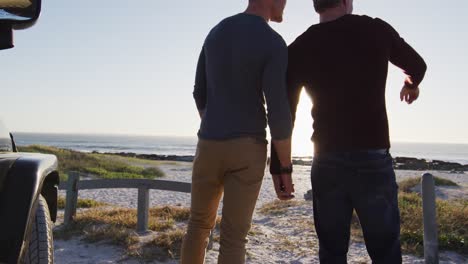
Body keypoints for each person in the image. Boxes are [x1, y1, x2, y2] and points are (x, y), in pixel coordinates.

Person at [270, 0, 427, 263]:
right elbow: (417, 65)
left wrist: (279, 167)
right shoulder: (375, 29)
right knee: (386, 248)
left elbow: (285, 116)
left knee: (332, 250)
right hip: (373, 157)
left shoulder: (299, 46)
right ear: (346, 1)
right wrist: (411, 85)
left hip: (327, 160)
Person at [180, 0, 295, 263]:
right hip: (247, 147)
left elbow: (200, 92)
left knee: (197, 225)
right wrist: (285, 168)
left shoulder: (217, 31)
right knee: (234, 237)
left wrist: (217, 123)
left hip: (208, 142)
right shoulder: (273, 42)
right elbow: (278, 111)